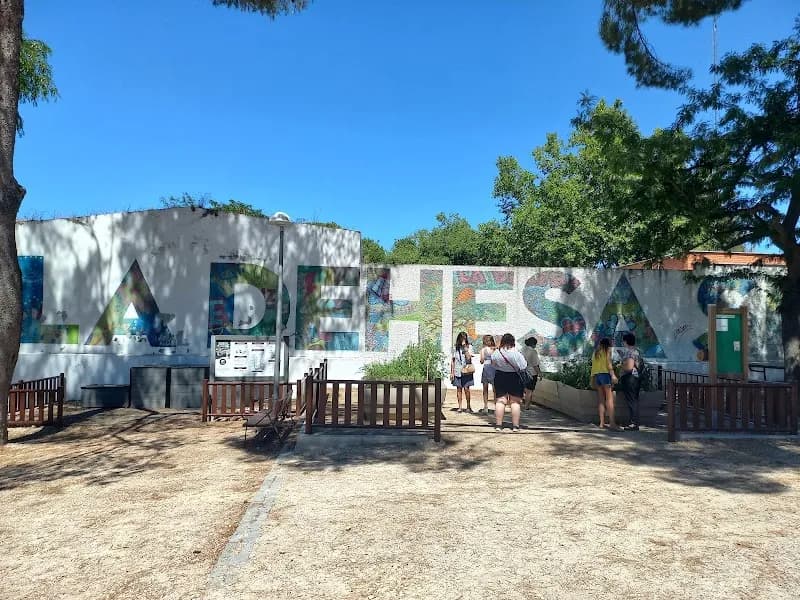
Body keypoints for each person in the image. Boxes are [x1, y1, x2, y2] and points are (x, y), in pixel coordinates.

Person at [491, 333, 527, 432]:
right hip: (514, 377)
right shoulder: (516, 353)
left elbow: (493, 364)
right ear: (513, 342)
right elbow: (523, 366)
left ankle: (498, 425)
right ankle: (515, 426)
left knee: (500, 401)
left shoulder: (497, 353)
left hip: (500, 376)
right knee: (515, 402)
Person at [591, 337, 619, 429]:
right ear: (608, 344)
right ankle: (612, 423)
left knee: (601, 400)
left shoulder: (596, 352)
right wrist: (613, 375)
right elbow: (609, 364)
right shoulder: (607, 350)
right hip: (605, 375)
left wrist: (592, 378)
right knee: (609, 400)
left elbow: (593, 366)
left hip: (596, 376)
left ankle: (601, 423)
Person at [619, 332, 642, 431]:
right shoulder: (635, 351)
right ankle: (634, 422)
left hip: (630, 378)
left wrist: (621, 365)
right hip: (634, 378)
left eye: (623, 341)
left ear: (626, 341)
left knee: (631, 400)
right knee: (634, 400)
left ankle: (633, 423)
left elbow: (629, 367)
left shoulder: (630, 352)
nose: (623, 343)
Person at [450, 331, 475, 413]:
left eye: (464, 338)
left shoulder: (469, 346)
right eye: (462, 339)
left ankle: (468, 406)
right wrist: (452, 372)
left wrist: (465, 347)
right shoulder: (455, 348)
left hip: (466, 370)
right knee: (459, 389)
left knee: (467, 388)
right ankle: (460, 407)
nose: (463, 340)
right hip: (457, 370)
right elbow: (453, 360)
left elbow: (468, 358)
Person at [520, 336, 541, 410]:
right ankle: (527, 406)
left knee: (524, 389)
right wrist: (540, 373)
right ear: (533, 344)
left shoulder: (522, 349)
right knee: (529, 391)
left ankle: (522, 404)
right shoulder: (533, 351)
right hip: (532, 373)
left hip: (522, 372)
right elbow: (535, 365)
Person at [479, 334, 496, 414]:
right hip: (493, 368)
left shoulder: (483, 350)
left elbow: (481, 361)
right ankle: (496, 406)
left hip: (486, 368)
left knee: (485, 389)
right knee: (495, 389)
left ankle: (486, 406)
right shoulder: (495, 349)